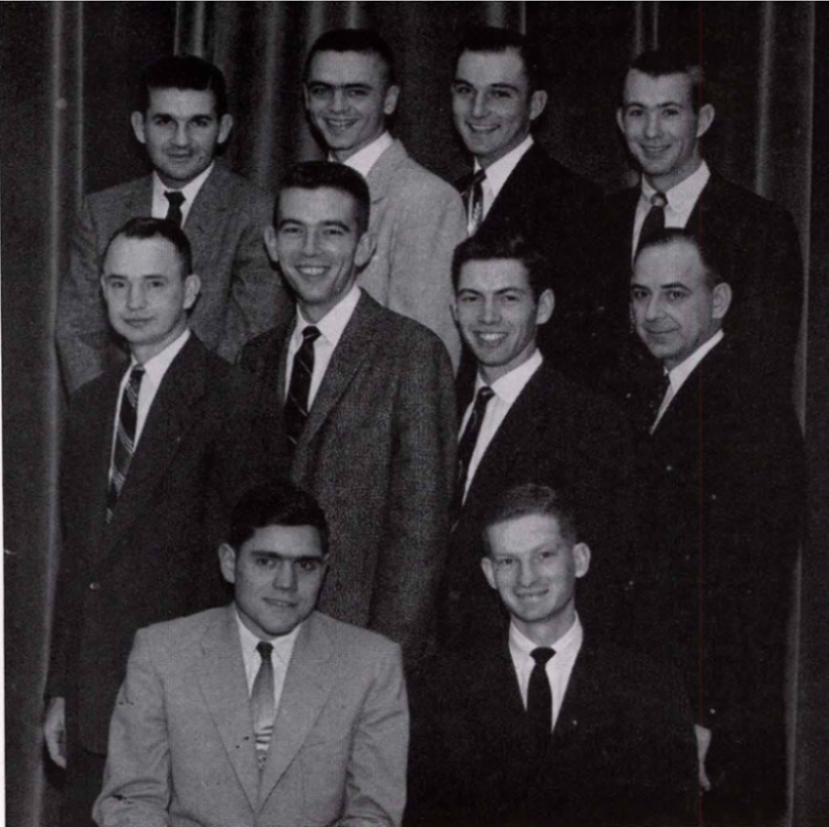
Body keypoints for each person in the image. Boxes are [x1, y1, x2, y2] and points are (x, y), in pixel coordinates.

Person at [43, 217, 285, 827]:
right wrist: (61, 690)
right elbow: (80, 563)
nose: (134, 302)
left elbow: (250, 571)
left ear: (192, 290)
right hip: (96, 701)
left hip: (190, 705)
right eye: (118, 284)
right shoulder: (92, 403)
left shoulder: (235, 400)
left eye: (154, 284)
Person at [239, 161, 456, 666]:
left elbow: (419, 541)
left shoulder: (412, 354)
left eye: (331, 232)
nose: (310, 251)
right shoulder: (254, 358)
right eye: (294, 230)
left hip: (356, 652)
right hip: (260, 649)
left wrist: (379, 669)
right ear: (271, 243)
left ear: (364, 246)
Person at [623, 229, 806, 825]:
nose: (652, 314)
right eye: (640, 294)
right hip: (672, 708)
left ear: (719, 301)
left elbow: (748, 588)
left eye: (674, 295)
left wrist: (702, 718)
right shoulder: (672, 388)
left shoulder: (744, 403)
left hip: (709, 728)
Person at [94, 480, 408, 827]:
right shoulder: (162, 652)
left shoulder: (371, 663)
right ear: (230, 563)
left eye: (305, 566)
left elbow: (374, 815)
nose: (286, 584)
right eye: (266, 562)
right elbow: (131, 800)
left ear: (325, 568)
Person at [408, 483, 698, 827]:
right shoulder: (439, 687)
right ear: (489, 573)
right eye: (508, 561)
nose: (526, 577)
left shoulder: (649, 688)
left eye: (544, 555)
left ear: (579, 560)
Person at [438, 234, 632, 649]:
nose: (487, 316)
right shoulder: (437, 403)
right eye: (472, 298)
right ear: (453, 308)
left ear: (542, 308)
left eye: (508, 298)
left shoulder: (590, 422)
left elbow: (603, 578)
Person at [56, 54, 286, 394]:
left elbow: (251, 336)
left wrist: (175, 421)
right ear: (139, 126)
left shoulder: (254, 212)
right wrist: (108, 415)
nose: (181, 140)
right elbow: (77, 330)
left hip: (208, 420)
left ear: (223, 129)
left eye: (198, 123)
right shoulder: (101, 211)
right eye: (165, 122)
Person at [608, 48, 803, 392]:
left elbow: (760, 370)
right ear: (622, 121)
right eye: (638, 112)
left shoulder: (761, 227)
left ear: (703, 119)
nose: (651, 132)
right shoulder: (594, 219)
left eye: (669, 112)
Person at [451, 25, 612, 385]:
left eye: (500, 94)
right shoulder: (447, 196)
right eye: (465, 91)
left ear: (536, 105)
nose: (477, 110)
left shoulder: (576, 203)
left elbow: (582, 349)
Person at [304, 28, 465, 369]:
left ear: (389, 100)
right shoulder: (298, 196)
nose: (336, 107)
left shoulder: (427, 200)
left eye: (356, 92)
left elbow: (426, 364)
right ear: (306, 97)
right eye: (322, 91)